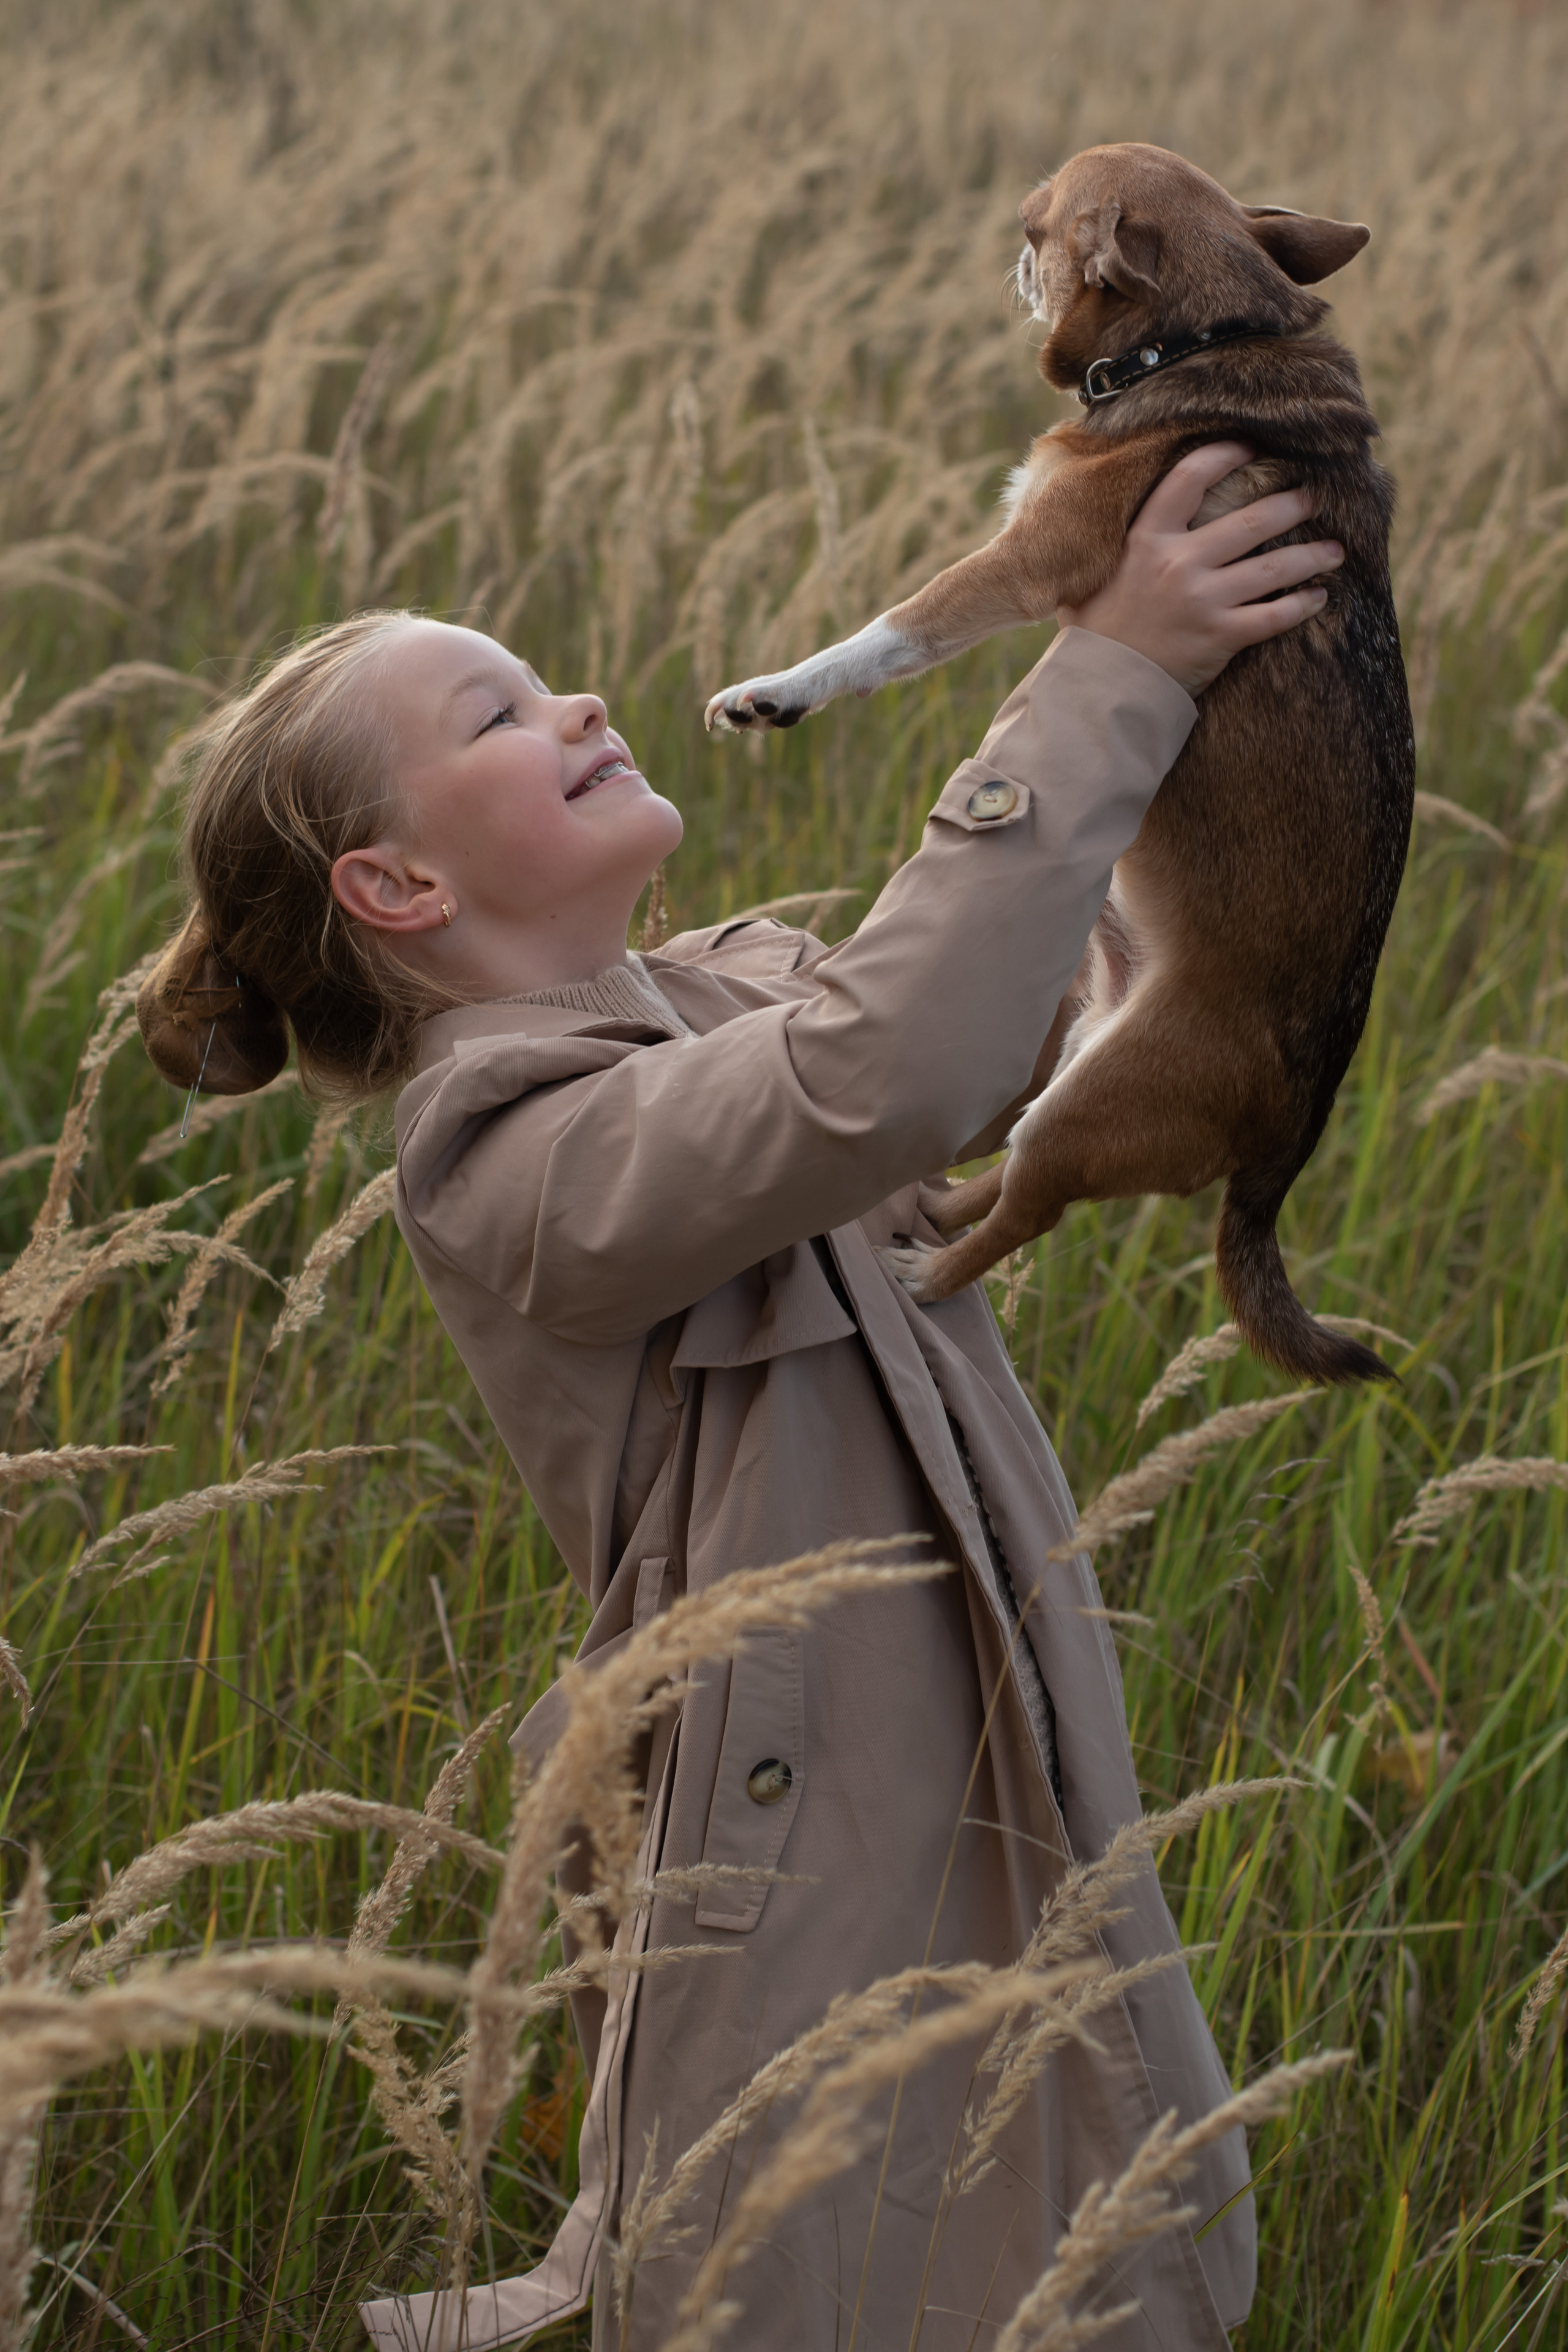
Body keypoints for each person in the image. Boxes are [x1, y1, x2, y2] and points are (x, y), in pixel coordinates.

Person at [138, 442, 1342, 2352]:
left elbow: (1006, 1025)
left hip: (987, 1765)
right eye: (503, 712)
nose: (582, 701)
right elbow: (899, 1074)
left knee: (1105, 2245)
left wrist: (1227, 702)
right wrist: (1104, 674)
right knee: (827, 2277)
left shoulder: (729, 994)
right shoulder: (504, 1155)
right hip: (798, 1865)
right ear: (398, 880)